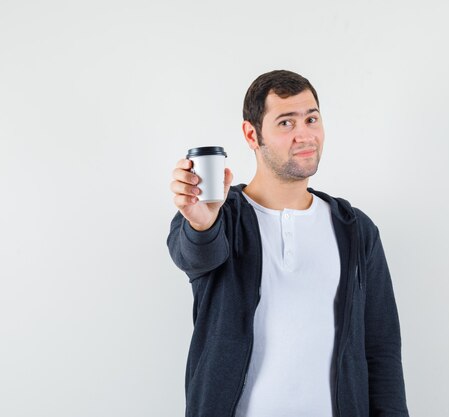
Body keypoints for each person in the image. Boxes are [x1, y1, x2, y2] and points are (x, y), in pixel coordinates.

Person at [167, 70, 409, 417]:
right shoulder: (221, 216)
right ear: (252, 134)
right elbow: (194, 255)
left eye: (311, 118)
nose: (305, 134)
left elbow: (381, 348)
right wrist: (201, 223)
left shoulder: (355, 229)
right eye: (286, 123)